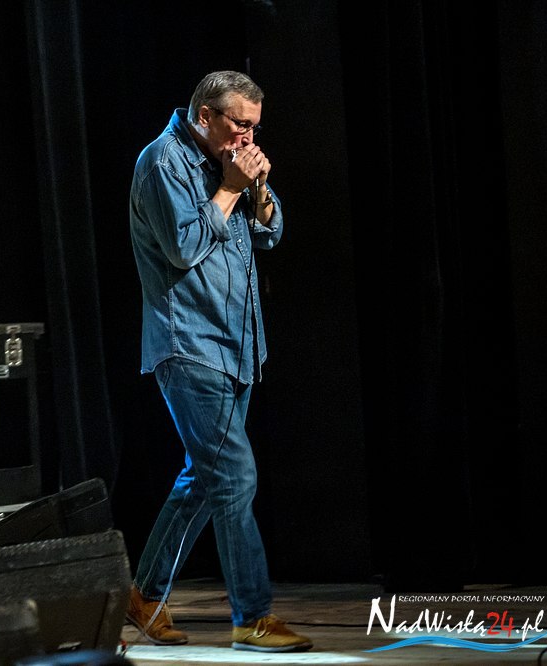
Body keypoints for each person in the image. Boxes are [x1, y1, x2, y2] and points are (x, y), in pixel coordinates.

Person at [126, 71, 312, 652]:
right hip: (188, 345)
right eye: (239, 124)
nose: (247, 137)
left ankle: (144, 594)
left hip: (237, 345)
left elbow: (269, 234)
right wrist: (230, 188)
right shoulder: (162, 162)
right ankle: (252, 617)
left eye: (254, 126)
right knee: (234, 478)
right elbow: (183, 247)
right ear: (205, 115)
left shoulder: (224, 161)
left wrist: (257, 189)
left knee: (204, 482)